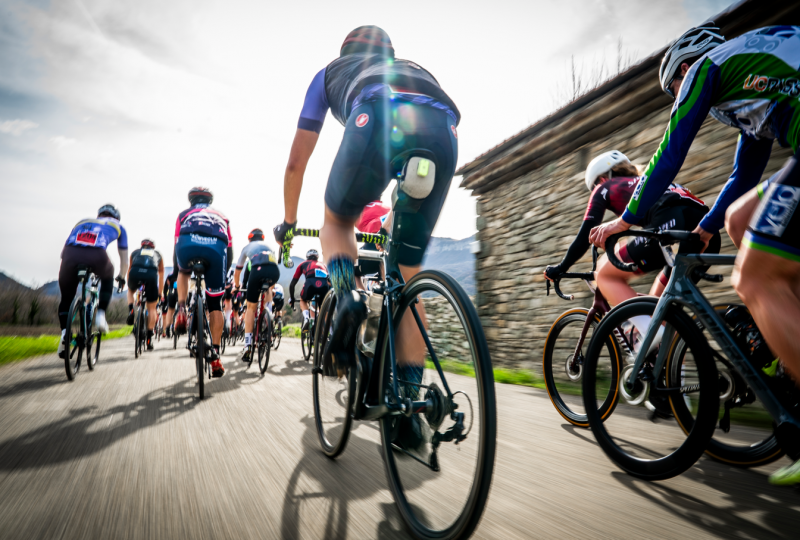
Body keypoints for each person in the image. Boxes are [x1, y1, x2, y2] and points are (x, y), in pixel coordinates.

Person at [588, 25, 800, 485]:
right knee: (741, 218)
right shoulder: (748, 85)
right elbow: (744, 177)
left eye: (674, 90)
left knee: (752, 278)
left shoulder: (707, 67)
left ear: (685, 67)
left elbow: (670, 148)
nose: (678, 97)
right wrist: (707, 228)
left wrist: (626, 220)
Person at [273, 27, 459, 430]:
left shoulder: (329, 74)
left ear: (346, 52)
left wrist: (288, 223)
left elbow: (295, 165)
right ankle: (408, 413)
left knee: (337, 221)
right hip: (444, 128)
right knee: (407, 274)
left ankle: (348, 298)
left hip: (375, 113)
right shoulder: (410, 67)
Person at [545, 150, 719, 345]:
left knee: (604, 274)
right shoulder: (644, 182)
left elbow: (586, 234)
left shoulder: (605, 186)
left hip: (670, 220)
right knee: (658, 309)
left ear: (602, 178)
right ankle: (674, 370)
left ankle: (651, 338)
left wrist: (561, 267)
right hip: (707, 229)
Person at [171, 187, 233, 377]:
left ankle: (181, 309)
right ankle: (215, 354)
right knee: (215, 305)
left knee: (182, 271)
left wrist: (178, 269)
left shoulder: (183, 214)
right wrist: (221, 272)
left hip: (187, 246)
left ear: (191, 201)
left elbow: (176, 243)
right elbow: (229, 252)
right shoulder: (222, 216)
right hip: (216, 250)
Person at [57, 204, 128, 358]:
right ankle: (101, 315)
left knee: (66, 298)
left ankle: (64, 333)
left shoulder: (82, 221)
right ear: (116, 217)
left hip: (70, 255)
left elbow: (64, 251)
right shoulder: (119, 226)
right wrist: (122, 277)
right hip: (97, 256)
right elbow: (124, 260)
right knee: (109, 273)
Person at [233, 228, 280, 362]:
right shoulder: (269, 246)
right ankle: (268, 314)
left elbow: (237, 273)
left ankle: (248, 346)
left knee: (251, 309)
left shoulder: (247, 247)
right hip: (274, 272)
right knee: (268, 289)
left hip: (257, 271)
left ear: (250, 238)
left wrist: (237, 287)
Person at [126, 238, 165, 351]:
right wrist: (160, 292)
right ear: (153, 247)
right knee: (152, 308)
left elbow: (130, 269)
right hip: (151, 276)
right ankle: (149, 338)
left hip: (135, 274)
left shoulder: (134, 253)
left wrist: (130, 285)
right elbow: (161, 275)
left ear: (141, 246)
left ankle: (131, 310)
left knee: (130, 291)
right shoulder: (158, 254)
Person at [288, 249, 330, 330]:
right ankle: (329, 332)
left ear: (307, 257)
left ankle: (307, 318)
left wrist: (292, 298)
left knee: (303, 300)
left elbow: (292, 284)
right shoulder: (323, 265)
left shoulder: (303, 264)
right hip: (324, 286)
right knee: (324, 309)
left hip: (310, 285)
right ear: (317, 257)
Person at [354, 200, 391, 289]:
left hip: (375, 244)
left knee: (351, 269)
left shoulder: (359, 210)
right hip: (393, 245)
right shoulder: (387, 207)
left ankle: (363, 299)